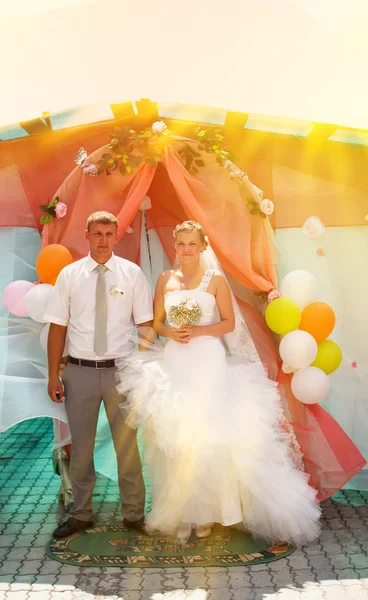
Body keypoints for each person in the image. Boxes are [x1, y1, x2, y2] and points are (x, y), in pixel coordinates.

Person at [117, 220, 322, 544]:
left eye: (191, 244)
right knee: (178, 437)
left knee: (209, 435)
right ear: (176, 245)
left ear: (202, 246)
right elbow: (156, 322)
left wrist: (197, 330)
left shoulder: (215, 282)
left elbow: (227, 324)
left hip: (208, 363)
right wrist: (173, 331)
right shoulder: (165, 279)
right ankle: (186, 511)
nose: (185, 249)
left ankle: (212, 513)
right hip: (176, 361)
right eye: (181, 243)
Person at [44, 211, 153, 539]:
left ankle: (134, 514)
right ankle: (81, 514)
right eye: (98, 234)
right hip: (80, 373)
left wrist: (143, 374)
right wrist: (53, 376)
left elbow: (145, 327)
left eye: (109, 234)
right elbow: (57, 328)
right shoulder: (69, 275)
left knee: (128, 447)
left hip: (121, 372)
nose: (104, 240)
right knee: (82, 447)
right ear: (87, 235)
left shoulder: (132, 274)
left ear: (116, 236)